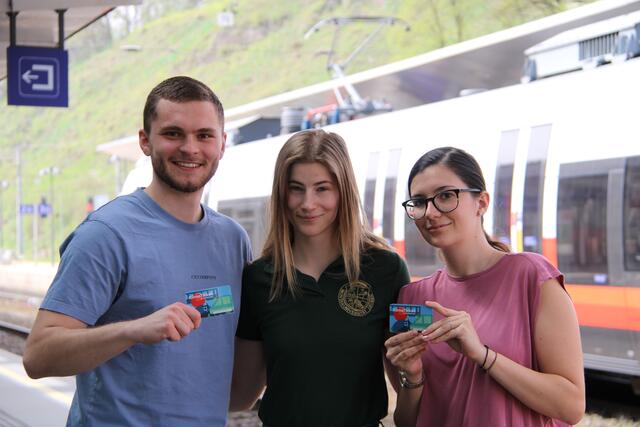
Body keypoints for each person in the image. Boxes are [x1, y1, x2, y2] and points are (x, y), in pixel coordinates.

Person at [22, 76, 252, 426]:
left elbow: (233, 389)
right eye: (173, 133)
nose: (190, 148)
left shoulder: (233, 241)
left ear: (222, 144)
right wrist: (134, 330)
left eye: (204, 135)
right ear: (145, 142)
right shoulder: (106, 235)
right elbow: (38, 356)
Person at [384, 147, 585, 427]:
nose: (430, 212)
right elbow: (407, 422)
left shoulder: (532, 277)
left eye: (445, 196)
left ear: (481, 202)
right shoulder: (411, 299)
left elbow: (571, 406)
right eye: (419, 201)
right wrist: (413, 377)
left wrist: (482, 354)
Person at [229, 129, 410, 427]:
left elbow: (407, 381)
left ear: (343, 192)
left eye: (322, 189)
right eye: (296, 188)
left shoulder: (386, 270)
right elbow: (241, 396)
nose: (308, 204)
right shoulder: (258, 279)